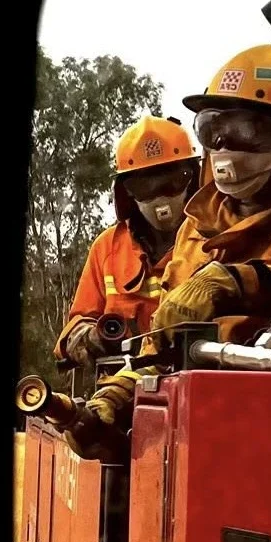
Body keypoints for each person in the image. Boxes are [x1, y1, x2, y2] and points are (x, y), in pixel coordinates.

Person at [66, 45, 271, 458]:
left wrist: (237, 281)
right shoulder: (198, 224)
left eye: (245, 130)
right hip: (197, 428)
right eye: (212, 130)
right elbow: (167, 340)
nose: (224, 146)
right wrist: (116, 397)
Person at [55, 117, 201, 368]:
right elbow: (74, 327)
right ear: (127, 192)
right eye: (145, 186)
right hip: (118, 397)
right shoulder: (107, 248)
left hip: (193, 388)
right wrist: (88, 337)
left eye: (174, 181)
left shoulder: (213, 237)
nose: (161, 197)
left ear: (194, 177)